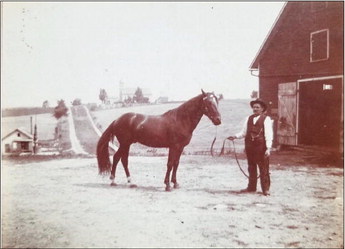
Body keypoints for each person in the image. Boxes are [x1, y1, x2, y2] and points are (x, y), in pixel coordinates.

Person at [228, 98, 273, 196]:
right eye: (254, 107)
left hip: (261, 147)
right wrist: (235, 136)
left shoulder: (266, 119)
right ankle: (251, 187)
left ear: (262, 109)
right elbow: (244, 133)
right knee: (251, 167)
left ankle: (265, 189)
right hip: (249, 147)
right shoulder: (248, 118)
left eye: (257, 107)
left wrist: (268, 148)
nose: (255, 109)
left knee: (263, 168)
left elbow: (268, 135)